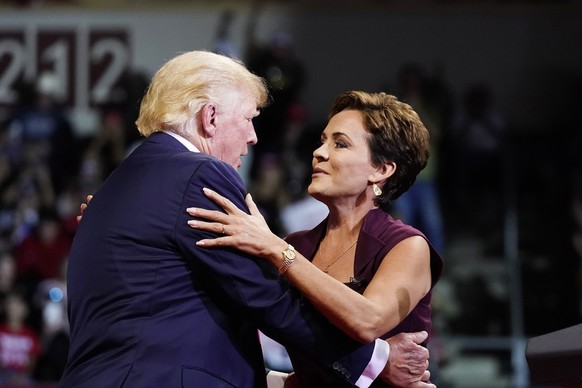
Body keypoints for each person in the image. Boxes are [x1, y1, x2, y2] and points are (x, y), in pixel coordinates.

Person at [60, 51, 434, 388]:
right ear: (210, 117)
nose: (255, 137)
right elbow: (265, 299)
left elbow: (359, 321)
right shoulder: (201, 178)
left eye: (340, 143)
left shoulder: (119, 185)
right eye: (249, 119)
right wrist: (376, 361)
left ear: (382, 170)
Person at [187, 90, 444, 386]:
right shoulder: (299, 245)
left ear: (381, 169)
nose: (319, 153)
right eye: (323, 140)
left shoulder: (407, 246)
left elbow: (367, 321)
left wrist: (274, 247)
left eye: (340, 144)